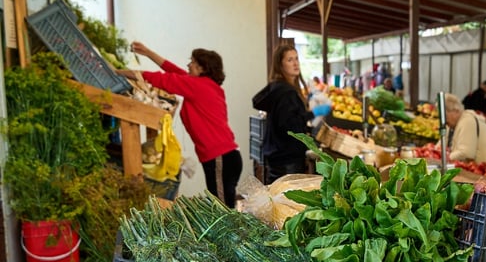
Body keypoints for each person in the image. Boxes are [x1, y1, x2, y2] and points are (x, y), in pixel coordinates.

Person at [118, 42, 242, 207]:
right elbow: (173, 70)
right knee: (222, 206)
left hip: (220, 158)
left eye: (192, 62)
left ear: (202, 68)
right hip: (224, 157)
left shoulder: (197, 86)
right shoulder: (205, 85)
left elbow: (161, 78)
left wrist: (117, 72)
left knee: (223, 210)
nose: (188, 65)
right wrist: (148, 52)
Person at [252, 43, 331, 184]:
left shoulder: (277, 87)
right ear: (280, 65)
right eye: (289, 60)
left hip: (277, 154)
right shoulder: (286, 92)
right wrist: (312, 114)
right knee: (286, 199)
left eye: (296, 59)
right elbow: (288, 125)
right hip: (287, 158)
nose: (295, 63)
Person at [442, 93, 486, 166]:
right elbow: (441, 146)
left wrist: (444, 157)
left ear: (456, 110)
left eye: (445, 115)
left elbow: (466, 153)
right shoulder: (452, 125)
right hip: (481, 170)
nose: (443, 120)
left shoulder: (467, 121)